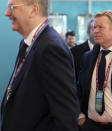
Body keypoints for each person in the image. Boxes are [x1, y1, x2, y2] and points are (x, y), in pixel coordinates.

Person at [1, 0, 79, 131]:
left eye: (12, 7)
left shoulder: (51, 48)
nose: (6, 13)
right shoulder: (28, 43)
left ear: (34, 9)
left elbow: (66, 117)